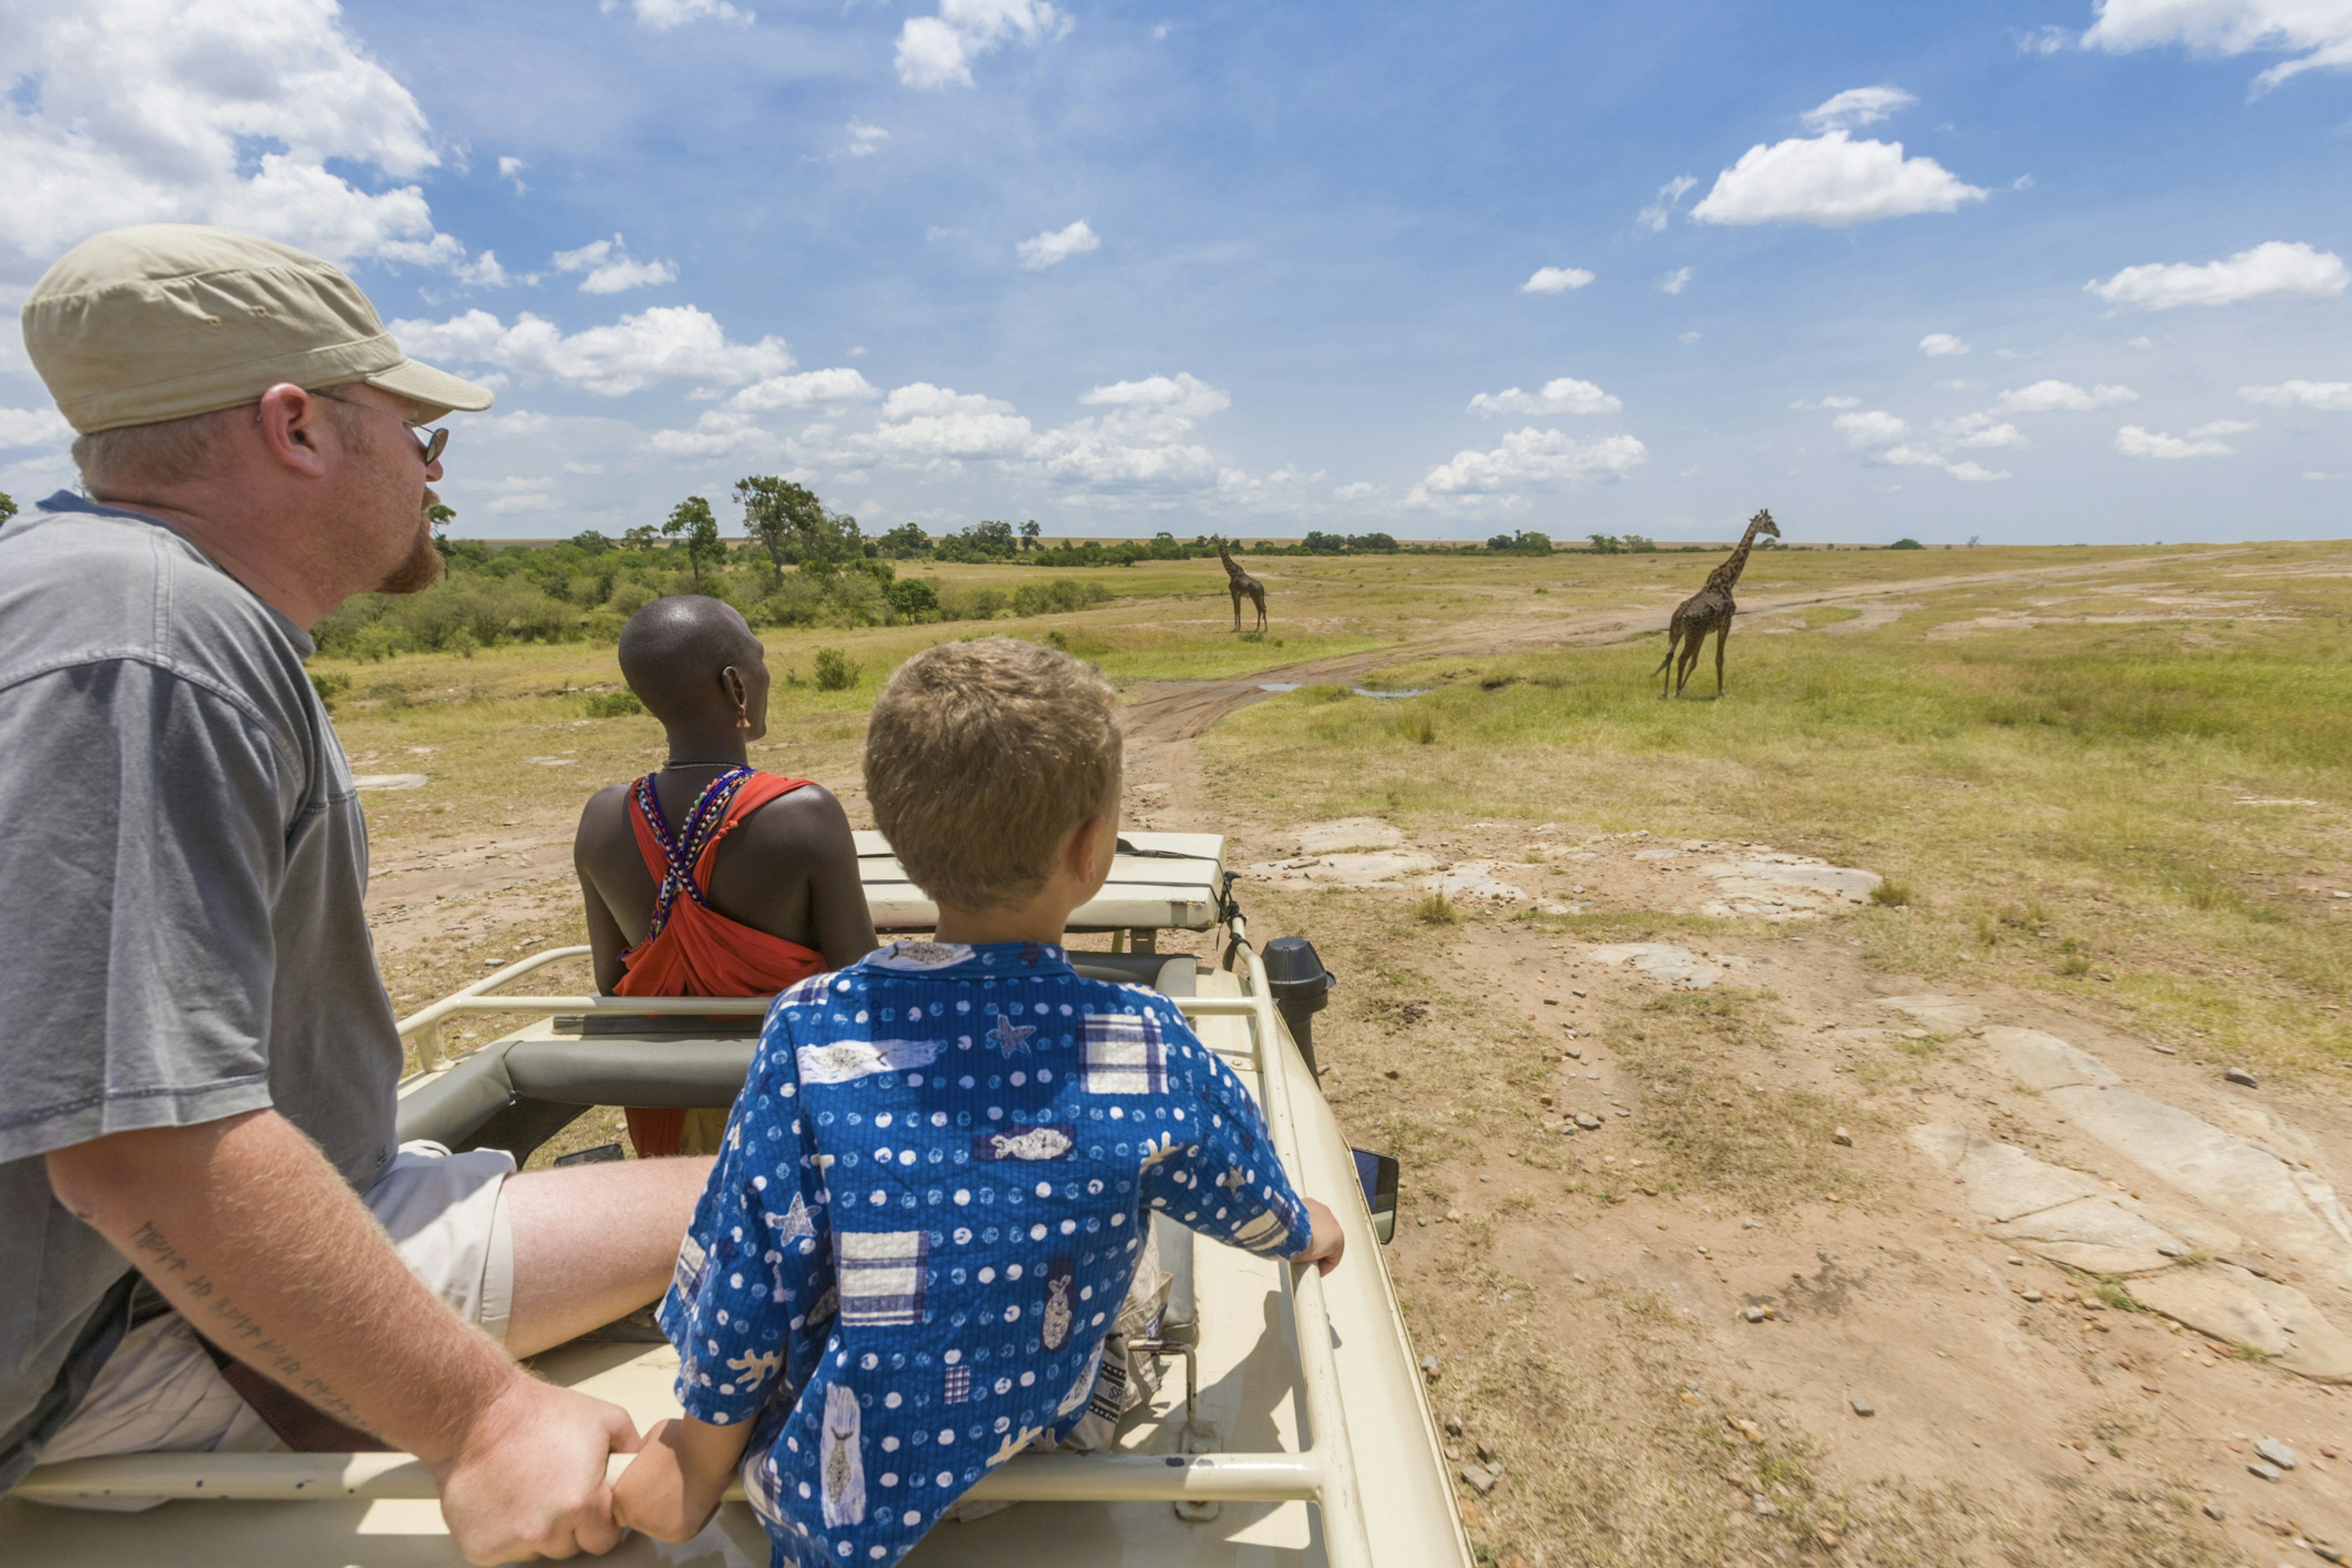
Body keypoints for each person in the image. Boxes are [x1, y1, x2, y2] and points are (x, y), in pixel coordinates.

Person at [0, 225, 710, 1563]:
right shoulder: (149, 641)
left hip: (211, 1241)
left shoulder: (84, 595)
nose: (431, 475)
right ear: (298, 428)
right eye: (419, 435)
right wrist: (484, 1419)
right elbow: (134, 1148)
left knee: (748, 1181)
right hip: (115, 1331)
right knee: (822, 1192)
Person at [608, 637, 1347, 1563]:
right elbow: (1241, 1192)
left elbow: (756, 1254)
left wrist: (696, 1456)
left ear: (899, 838)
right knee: (1139, 1272)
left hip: (838, 1465)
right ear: (1092, 849)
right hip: (1050, 1435)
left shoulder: (810, 1027)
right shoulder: (1146, 1038)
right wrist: (1303, 1228)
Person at [573, 595, 877, 1157]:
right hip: (786, 1100)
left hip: (666, 1103)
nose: (767, 674)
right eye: (759, 658)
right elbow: (857, 983)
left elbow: (608, 981)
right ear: (737, 685)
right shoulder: (803, 812)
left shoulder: (601, 817)